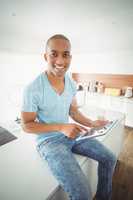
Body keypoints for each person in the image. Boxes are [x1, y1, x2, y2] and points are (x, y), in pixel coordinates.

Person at [21, 34, 116, 200]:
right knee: (83, 194)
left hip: (72, 135)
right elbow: (26, 125)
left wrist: (91, 123)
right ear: (45, 56)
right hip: (49, 142)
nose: (60, 61)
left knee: (109, 158)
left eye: (65, 55)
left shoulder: (71, 83)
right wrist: (60, 127)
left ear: (70, 57)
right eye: (54, 54)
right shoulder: (32, 88)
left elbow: (73, 112)